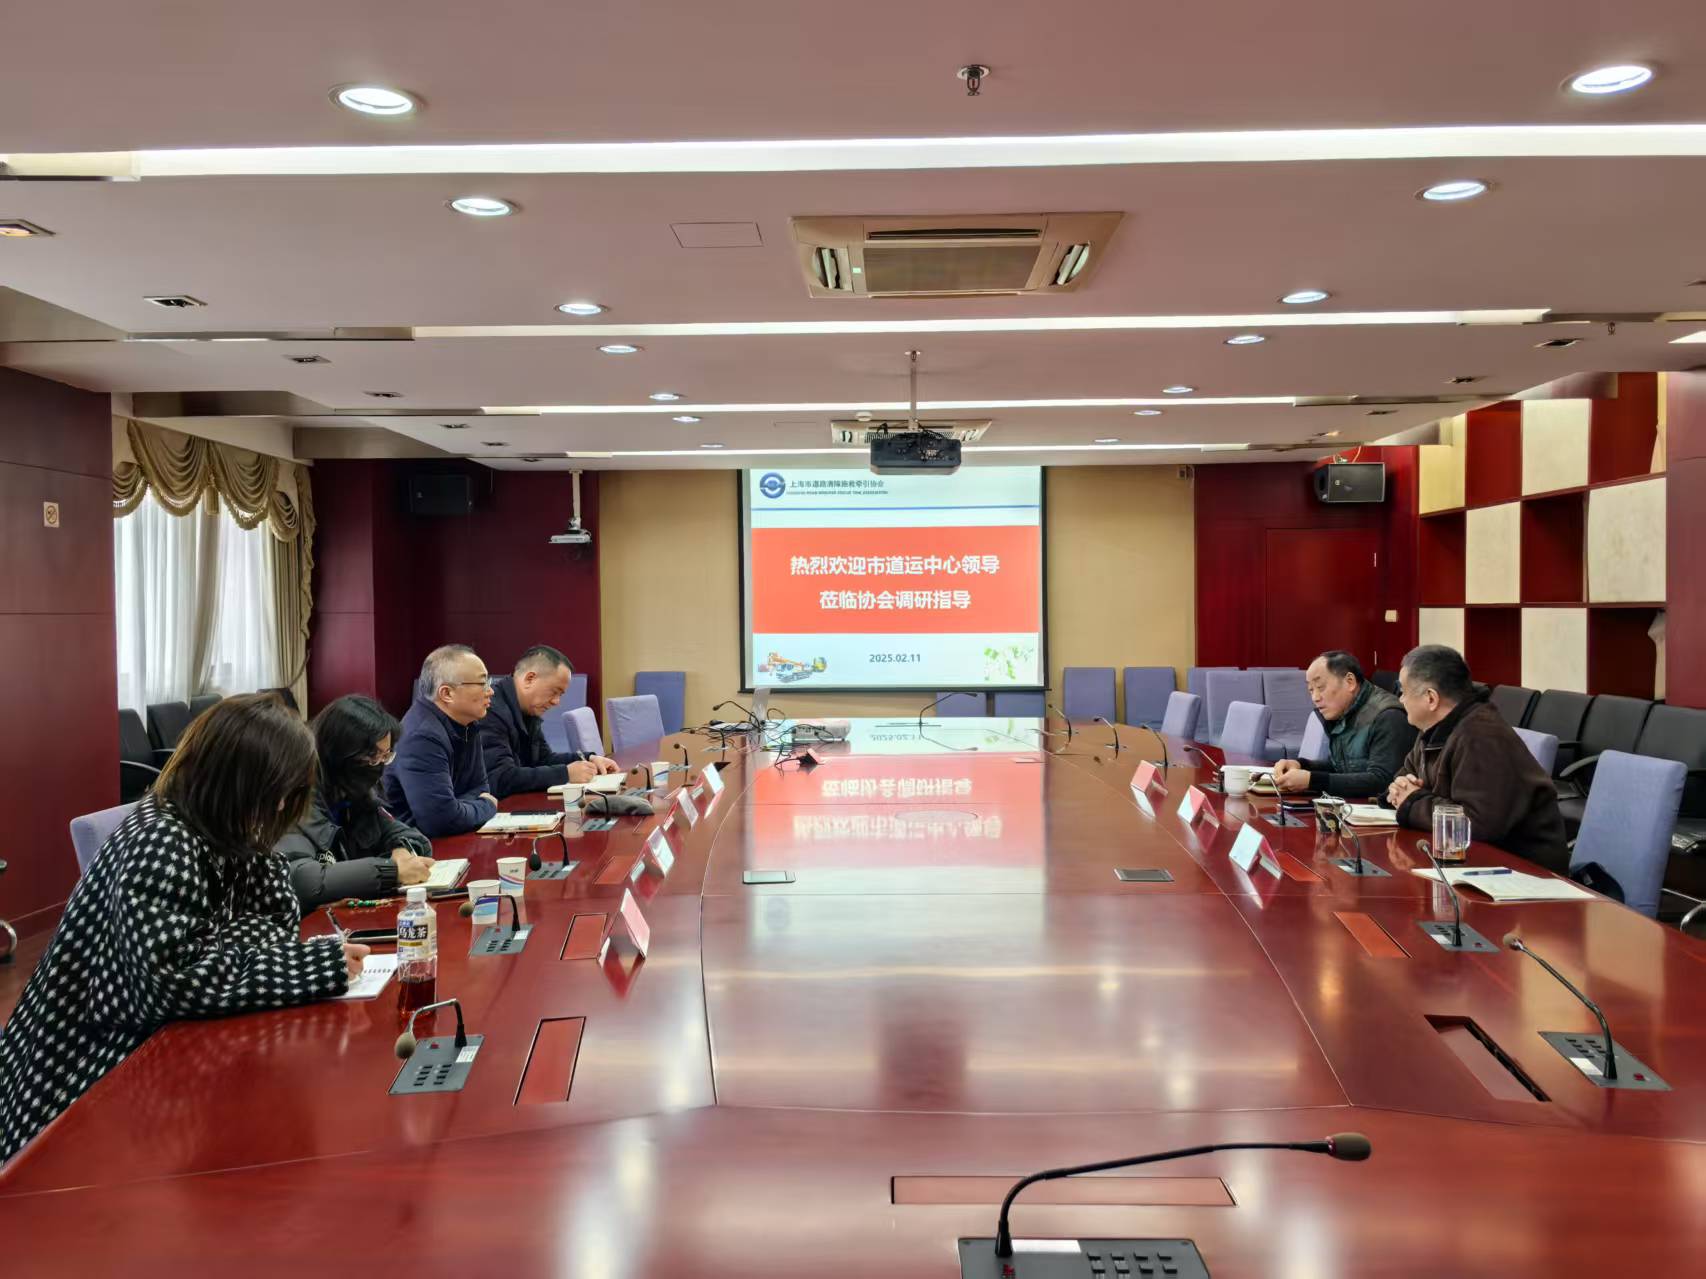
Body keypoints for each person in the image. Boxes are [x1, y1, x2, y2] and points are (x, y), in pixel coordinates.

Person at [0, 694, 362, 1165]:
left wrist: (220, 943)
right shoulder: (163, 839)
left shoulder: (227, 828)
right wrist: (312, 965)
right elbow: (174, 982)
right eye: (277, 791)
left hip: (157, 1051)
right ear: (240, 781)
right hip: (83, 1081)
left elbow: (278, 925)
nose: (281, 805)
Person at [1386, 644, 1567, 871]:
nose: (1400, 700)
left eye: (1403, 691)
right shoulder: (1431, 730)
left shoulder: (1481, 735)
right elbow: (1404, 780)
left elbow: (1479, 823)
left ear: (1431, 698)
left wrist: (1412, 802)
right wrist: (1399, 790)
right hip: (1466, 861)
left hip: (1525, 871)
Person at [276, 694, 436, 909]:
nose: (377, 767)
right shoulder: (296, 798)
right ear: (338, 753)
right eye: (371, 757)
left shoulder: (354, 793)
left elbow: (410, 836)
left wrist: (401, 850)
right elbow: (302, 879)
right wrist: (390, 871)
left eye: (385, 756)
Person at [384, 644, 500, 838]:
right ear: (447, 693)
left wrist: (459, 806)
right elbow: (441, 821)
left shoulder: (467, 723)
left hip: (453, 837)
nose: (491, 691)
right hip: (416, 846)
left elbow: (480, 788)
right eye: (482, 683)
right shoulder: (422, 737)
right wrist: (487, 805)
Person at [1272, 650, 1416, 798]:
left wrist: (1312, 781)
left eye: (1320, 687)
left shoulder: (1389, 716)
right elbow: (1344, 768)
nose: (1315, 697)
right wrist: (1301, 765)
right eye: (1310, 690)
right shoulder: (1343, 712)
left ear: (1350, 682)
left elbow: (1383, 781)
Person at [481, 645, 620, 797]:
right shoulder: (489, 710)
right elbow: (499, 779)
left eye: (560, 695)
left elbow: (543, 759)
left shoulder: (527, 710)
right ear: (530, 679)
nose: (556, 702)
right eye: (554, 692)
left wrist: (589, 759)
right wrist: (565, 774)